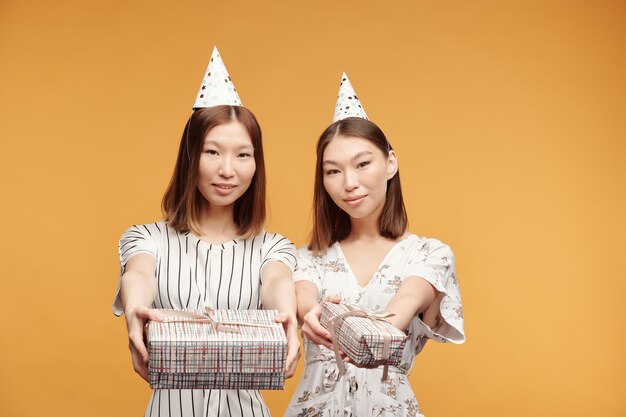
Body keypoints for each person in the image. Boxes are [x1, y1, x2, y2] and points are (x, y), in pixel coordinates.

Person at [112, 47, 299, 417]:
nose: (227, 170)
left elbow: (276, 281)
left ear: (256, 165)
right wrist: (135, 311)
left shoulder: (272, 247)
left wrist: (289, 317)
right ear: (190, 157)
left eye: (243, 155)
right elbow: (139, 273)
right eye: (212, 152)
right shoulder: (147, 238)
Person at [285, 73, 465, 417]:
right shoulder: (306, 258)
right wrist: (309, 313)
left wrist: (345, 327)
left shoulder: (428, 255)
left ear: (390, 163)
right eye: (333, 171)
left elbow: (404, 305)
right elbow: (304, 298)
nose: (349, 183)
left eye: (363, 163)